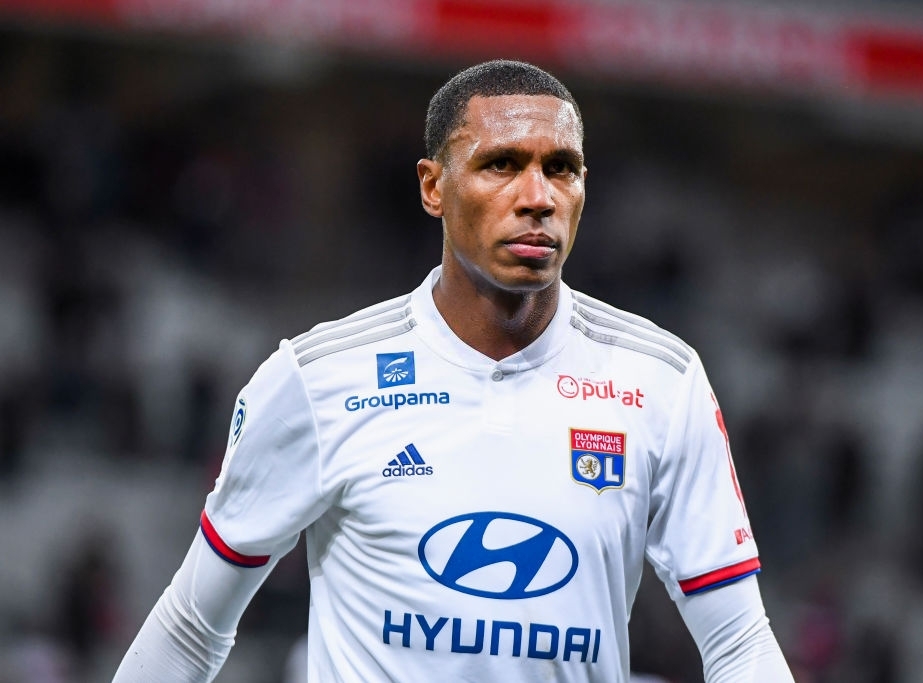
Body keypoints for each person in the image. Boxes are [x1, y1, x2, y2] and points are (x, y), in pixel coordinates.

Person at [112, 59, 794, 682]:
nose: (538, 196)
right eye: (501, 164)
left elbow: (738, 642)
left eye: (562, 168)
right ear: (433, 186)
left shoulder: (660, 382)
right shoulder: (318, 378)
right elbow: (191, 627)